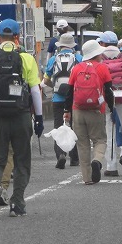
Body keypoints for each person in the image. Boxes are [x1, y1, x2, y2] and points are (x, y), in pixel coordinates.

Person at [0, 18, 43, 217]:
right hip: (21, 115)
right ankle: (17, 202)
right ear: (17, 37)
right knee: (22, 160)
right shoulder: (26, 58)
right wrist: (38, 118)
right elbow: (36, 92)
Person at [62, 40, 114, 184]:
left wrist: (67, 110)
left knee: (82, 144)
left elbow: (69, 92)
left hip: (78, 110)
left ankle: (87, 178)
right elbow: (109, 92)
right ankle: (97, 160)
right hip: (97, 110)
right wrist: (112, 108)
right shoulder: (102, 68)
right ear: (97, 53)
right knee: (100, 140)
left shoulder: (77, 68)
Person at [98, 31, 122, 177]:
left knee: (109, 131)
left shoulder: (99, 59)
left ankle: (111, 166)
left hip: (105, 99)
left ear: (102, 43)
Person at [43, 32, 81, 169]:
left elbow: (46, 79)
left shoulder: (53, 59)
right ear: (72, 46)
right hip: (74, 98)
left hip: (57, 98)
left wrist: (55, 87)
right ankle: (75, 158)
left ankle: (60, 155)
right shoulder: (78, 58)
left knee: (58, 126)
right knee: (74, 126)